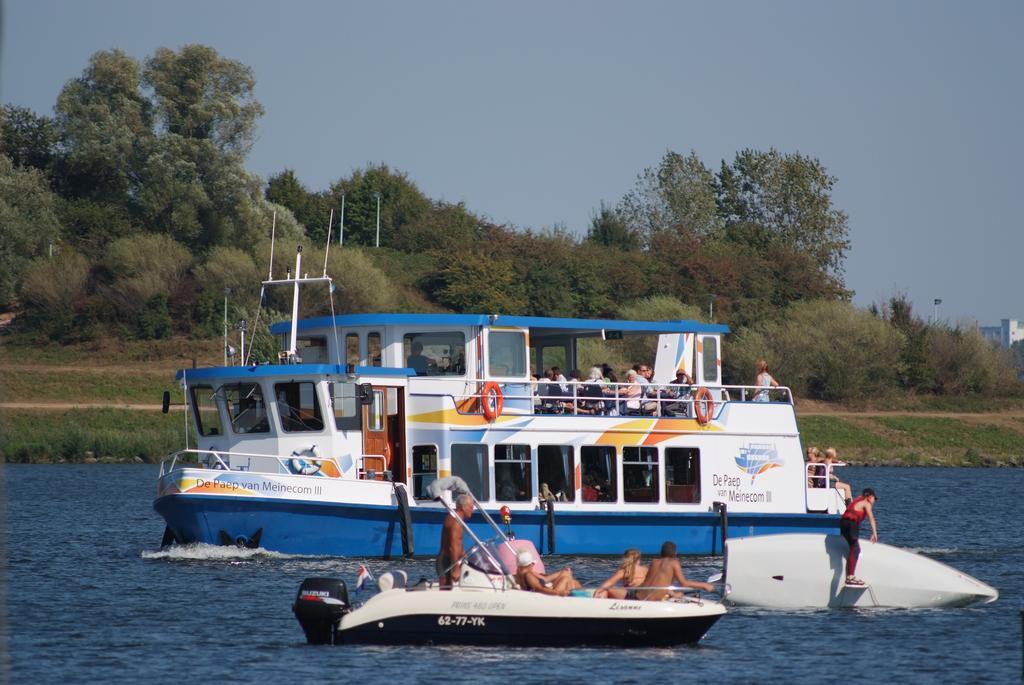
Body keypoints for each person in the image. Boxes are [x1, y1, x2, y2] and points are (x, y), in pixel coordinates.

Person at [636, 541, 714, 600]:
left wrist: (673, 593)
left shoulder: (654, 562)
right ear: (675, 553)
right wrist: (704, 585)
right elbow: (684, 583)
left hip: (639, 596)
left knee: (678, 593)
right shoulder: (674, 563)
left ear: (661, 552)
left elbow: (656, 583)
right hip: (652, 601)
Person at [839, 488, 878, 586]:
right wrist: (874, 533)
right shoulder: (866, 503)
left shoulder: (858, 499)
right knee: (856, 549)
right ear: (870, 497)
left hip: (843, 523)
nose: (874, 501)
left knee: (853, 546)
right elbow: (871, 518)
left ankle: (849, 575)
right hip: (851, 524)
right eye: (874, 498)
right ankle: (850, 577)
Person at [437, 493, 474, 587]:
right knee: (447, 592)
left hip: (451, 560)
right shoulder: (456, 522)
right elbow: (453, 547)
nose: (472, 510)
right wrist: (456, 568)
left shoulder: (455, 517)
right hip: (448, 562)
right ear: (463, 507)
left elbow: (458, 543)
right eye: (471, 507)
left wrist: (463, 555)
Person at [514, 550, 581, 596]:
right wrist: (558, 593)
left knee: (571, 580)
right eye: (533, 563)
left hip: (548, 591)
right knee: (566, 578)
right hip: (548, 596)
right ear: (530, 564)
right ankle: (581, 598)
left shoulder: (519, 573)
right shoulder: (528, 575)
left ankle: (579, 595)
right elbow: (538, 589)